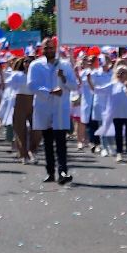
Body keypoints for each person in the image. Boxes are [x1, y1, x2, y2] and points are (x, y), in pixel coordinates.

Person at [27, 39, 80, 184]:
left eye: (51, 48)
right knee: (48, 141)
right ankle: (50, 171)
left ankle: (63, 171)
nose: (49, 50)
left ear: (55, 48)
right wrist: (49, 92)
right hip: (44, 107)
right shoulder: (35, 65)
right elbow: (31, 85)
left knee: (61, 141)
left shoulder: (65, 65)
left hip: (60, 107)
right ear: (42, 49)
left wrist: (63, 78)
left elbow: (74, 85)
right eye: (46, 48)